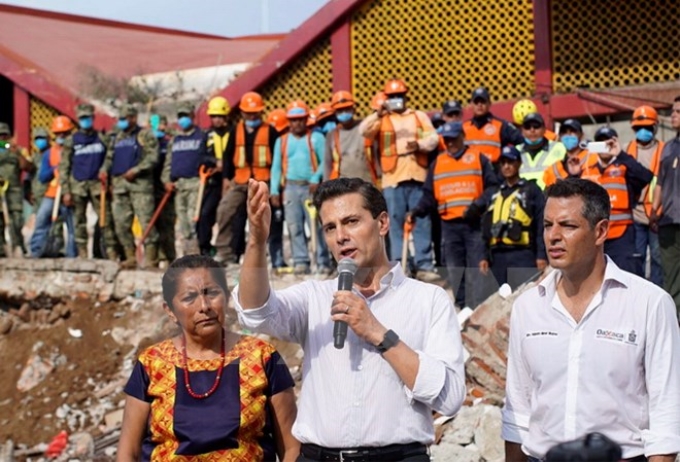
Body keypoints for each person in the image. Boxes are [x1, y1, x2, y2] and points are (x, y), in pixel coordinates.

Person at [235, 177, 466, 461]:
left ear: (382, 223)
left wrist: (379, 334)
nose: (341, 236)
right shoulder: (314, 297)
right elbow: (255, 311)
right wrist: (257, 240)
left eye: (352, 221)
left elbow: (451, 398)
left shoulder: (428, 300)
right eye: (330, 228)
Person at [502, 178, 680, 462]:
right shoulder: (527, 307)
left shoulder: (650, 304)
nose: (553, 236)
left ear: (601, 231)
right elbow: (518, 410)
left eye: (568, 226)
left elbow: (666, 412)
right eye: (548, 225)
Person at [117, 254, 299, 461]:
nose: (204, 306)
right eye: (189, 298)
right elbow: (128, 453)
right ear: (170, 310)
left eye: (212, 293)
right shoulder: (151, 363)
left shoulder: (263, 357)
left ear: (227, 297)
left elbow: (291, 448)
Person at [408, 121, 497, 308]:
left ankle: (478, 308)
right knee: (456, 271)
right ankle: (462, 308)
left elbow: (493, 187)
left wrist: (478, 205)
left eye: (454, 139)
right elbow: (429, 196)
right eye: (446, 140)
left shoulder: (478, 158)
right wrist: (417, 210)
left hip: (474, 224)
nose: (450, 143)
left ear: (462, 137)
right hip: (449, 227)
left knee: (477, 270)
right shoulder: (437, 163)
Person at [359, 78, 440, 281]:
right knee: (393, 222)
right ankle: (398, 264)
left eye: (399, 96)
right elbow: (364, 131)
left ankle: (424, 264)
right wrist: (378, 113)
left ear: (405, 96)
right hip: (392, 178)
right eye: (392, 97)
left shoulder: (418, 116)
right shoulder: (382, 119)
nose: (397, 100)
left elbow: (433, 139)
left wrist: (419, 144)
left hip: (416, 175)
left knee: (421, 220)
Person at [215, 92, 278, 268]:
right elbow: (228, 156)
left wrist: (275, 186)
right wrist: (227, 179)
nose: (251, 116)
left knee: (260, 217)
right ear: (242, 113)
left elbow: (278, 158)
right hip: (240, 180)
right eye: (248, 113)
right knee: (225, 210)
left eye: (255, 112)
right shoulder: (236, 130)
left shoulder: (270, 131)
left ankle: (261, 253)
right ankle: (224, 252)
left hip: (262, 181)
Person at [270, 99, 331, 275]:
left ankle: (322, 261)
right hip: (290, 188)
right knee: (294, 226)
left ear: (306, 119)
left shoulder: (316, 138)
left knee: (318, 226)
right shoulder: (281, 141)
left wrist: (316, 178)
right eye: (293, 120)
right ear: (288, 121)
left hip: (311, 187)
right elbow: (276, 168)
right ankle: (301, 261)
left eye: (300, 119)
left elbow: (325, 162)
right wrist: (274, 190)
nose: (297, 123)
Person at [581, 127, 653, 276]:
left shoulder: (625, 166)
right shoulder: (586, 168)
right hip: (593, 236)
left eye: (608, 141)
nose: (604, 145)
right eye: (600, 141)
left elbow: (646, 177)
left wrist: (620, 154)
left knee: (626, 277)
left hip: (622, 236)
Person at [474, 145, 547, 290]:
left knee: (526, 296)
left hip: (523, 254)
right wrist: (483, 256)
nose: (507, 166)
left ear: (519, 163)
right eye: (503, 163)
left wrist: (541, 255)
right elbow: (485, 227)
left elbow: (541, 224)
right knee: (500, 301)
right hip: (497, 255)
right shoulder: (493, 193)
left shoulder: (531, 190)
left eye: (511, 162)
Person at [101, 104, 159, 268]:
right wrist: (104, 170)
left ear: (133, 118)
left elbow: (153, 158)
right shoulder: (117, 138)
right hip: (120, 186)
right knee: (121, 223)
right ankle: (130, 257)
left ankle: (151, 259)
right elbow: (109, 158)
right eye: (120, 119)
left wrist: (137, 170)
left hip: (140, 186)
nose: (122, 122)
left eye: (124, 119)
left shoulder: (145, 135)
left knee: (146, 222)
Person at [162, 103, 213, 256]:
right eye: (180, 117)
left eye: (186, 116)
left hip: (196, 182)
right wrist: (166, 181)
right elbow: (168, 163)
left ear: (192, 117)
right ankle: (187, 253)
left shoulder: (202, 136)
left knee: (193, 219)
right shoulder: (175, 140)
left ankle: (196, 253)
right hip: (179, 185)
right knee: (183, 222)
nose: (183, 120)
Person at [626, 105, 664, 286]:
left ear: (655, 127)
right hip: (634, 213)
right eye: (639, 128)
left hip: (658, 214)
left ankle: (658, 294)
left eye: (648, 128)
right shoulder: (626, 151)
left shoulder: (665, 149)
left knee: (658, 259)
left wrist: (659, 210)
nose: (643, 131)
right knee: (637, 257)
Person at [29, 116, 76, 258]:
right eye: (58, 134)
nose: (61, 136)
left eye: (65, 133)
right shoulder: (49, 154)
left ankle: (72, 254)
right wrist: (54, 170)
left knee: (73, 226)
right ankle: (36, 251)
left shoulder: (75, 151)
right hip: (52, 194)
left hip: (70, 193)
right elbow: (42, 177)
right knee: (42, 219)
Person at [651, 95, 680, 315]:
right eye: (673, 112)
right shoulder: (668, 147)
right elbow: (659, 182)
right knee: (671, 278)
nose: (673, 116)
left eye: (678, 112)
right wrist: (654, 211)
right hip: (669, 221)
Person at [323, 90, 379, 184]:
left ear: (354, 109)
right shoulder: (332, 135)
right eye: (340, 110)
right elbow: (327, 164)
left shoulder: (365, 128)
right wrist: (325, 184)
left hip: (367, 182)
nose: (344, 113)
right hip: (342, 185)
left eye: (347, 109)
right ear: (335, 113)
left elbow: (377, 153)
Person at [199, 96, 230, 257]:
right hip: (213, 181)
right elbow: (201, 156)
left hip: (231, 180)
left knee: (229, 215)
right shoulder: (207, 135)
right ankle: (205, 247)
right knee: (205, 214)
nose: (216, 120)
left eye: (219, 116)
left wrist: (226, 164)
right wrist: (214, 162)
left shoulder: (233, 132)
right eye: (214, 116)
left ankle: (231, 249)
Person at [463, 87, 523, 166]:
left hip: (494, 172)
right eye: (476, 102)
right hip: (472, 172)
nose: (479, 105)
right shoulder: (464, 127)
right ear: (471, 104)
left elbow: (521, 141)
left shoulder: (501, 125)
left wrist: (512, 159)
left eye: (483, 102)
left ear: (489, 104)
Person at [0, 122, 34, 257]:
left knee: (16, 219)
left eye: (4, 135)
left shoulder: (17, 150)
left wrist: (17, 153)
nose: (2, 139)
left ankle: (18, 245)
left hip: (13, 190)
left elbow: (28, 167)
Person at [150, 114, 176, 266]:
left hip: (165, 188)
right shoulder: (148, 144)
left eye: (163, 124)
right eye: (158, 125)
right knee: (153, 225)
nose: (161, 128)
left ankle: (169, 257)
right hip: (149, 188)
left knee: (167, 225)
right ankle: (155, 258)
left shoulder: (169, 143)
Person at [517, 113, 566, 190]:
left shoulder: (560, 148)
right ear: (522, 131)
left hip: (550, 197)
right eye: (527, 127)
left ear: (544, 129)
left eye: (536, 126)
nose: (532, 130)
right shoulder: (516, 151)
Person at [542, 119, 586, 188]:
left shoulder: (594, 158)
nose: (568, 135)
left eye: (572, 132)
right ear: (560, 137)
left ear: (582, 135)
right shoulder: (553, 168)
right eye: (564, 132)